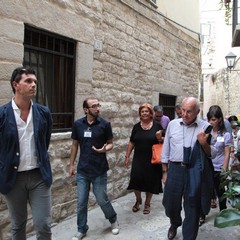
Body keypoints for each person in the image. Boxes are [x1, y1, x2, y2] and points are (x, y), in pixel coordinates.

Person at [0, 66, 53, 239]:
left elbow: (44, 142)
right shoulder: (2, 114)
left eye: (35, 82)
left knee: (43, 224)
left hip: (39, 176)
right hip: (13, 179)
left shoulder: (43, 112)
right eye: (28, 81)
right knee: (18, 224)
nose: (33, 85)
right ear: (15, 85)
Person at [161, 97, 215, 240]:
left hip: (194, 171)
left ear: (197, 112)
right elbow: (165, 149)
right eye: (183, 110)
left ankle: (189, 237)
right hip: (175, 170)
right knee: (169, 204)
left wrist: (204, 144)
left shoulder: (205, 127)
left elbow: (212, 154)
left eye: (189, 111)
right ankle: (175, 222)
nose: (184, 114)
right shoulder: (172, 125)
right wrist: (165, 171)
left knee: (192, 208)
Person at [69, 97, 119, 240]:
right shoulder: (78, 124)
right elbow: (74, 145)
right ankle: (81, 229)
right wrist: (71, 165)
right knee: (81, 202)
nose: (98, 108)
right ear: (86, 110)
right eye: (94, 106)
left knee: (102, 199)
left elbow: (110, 144)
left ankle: (113, 219)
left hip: (99, 169)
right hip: (83, 170)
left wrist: (105, 149)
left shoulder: (104, 124)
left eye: (98, 105)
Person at [125, 103, 163, 215]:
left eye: (147, 111)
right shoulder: (136, 127)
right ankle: (138, 200)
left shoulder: (157, 126)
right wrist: (127, 156)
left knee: (150, 181)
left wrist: (159, 138)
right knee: (136, 180)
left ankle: (147, 203)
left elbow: (163, 142)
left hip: (152, 159)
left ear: (151, 113)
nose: (144, 113)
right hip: (139, 158)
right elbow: (132, 142)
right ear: (140, 113)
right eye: (142, 111)